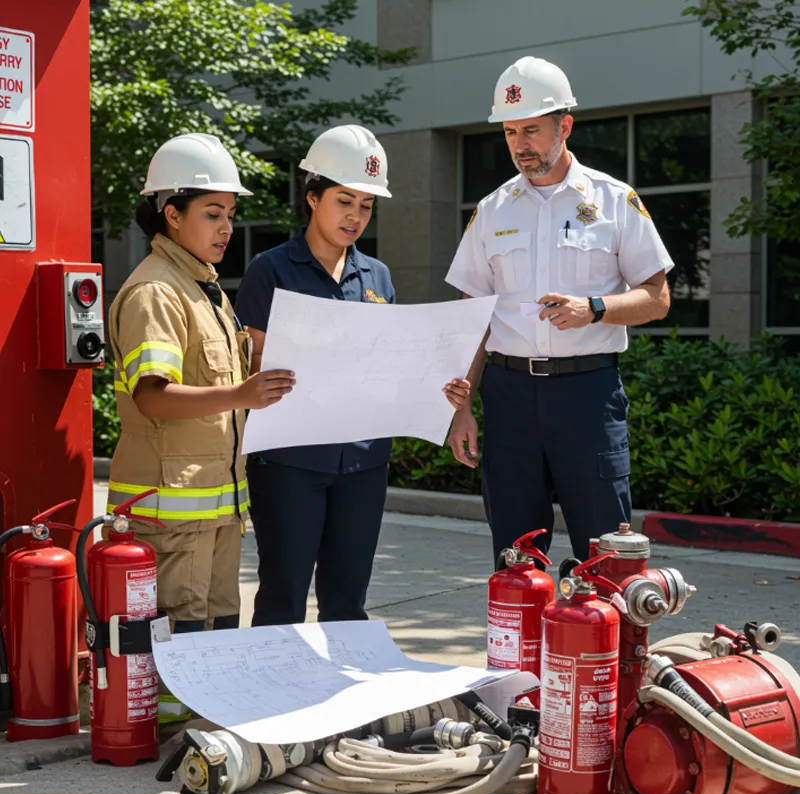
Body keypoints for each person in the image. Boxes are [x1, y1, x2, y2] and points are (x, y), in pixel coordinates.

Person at [235, 124, 470, 626]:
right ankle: (275, 678)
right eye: (344, 201)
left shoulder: (377, 275)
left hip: (363, 462)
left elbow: (393, 367)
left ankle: (341, 677)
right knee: (283, 598)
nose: (355, 216)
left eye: (366, 205)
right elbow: (253, 363)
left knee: (347, 602)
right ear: (312, 197)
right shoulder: (271, 270)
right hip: (290, 460)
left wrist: (437, 387)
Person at [445, 57, 673, 563]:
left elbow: (658, 298)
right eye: (510, 132)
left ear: (564, 126)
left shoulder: (614, 201)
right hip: (508, 397)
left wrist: (596, 308)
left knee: (606, 555)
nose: (519, 144)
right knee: (515, 559)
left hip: (587, 395)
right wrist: (462, 408)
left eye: (531, 130)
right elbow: (473, 318)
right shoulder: (491, 211)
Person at [106, 133, 294, 717]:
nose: (226, 228)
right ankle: (170, 736)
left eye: (230, 214)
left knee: (217, 630)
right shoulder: (156, 292)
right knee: (180, 634)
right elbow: (152, 396)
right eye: (212, 213)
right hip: (171, 507)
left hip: (214, 506)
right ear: (172, 213)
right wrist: (241, 392)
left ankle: (205, 726)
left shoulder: (203, 289)